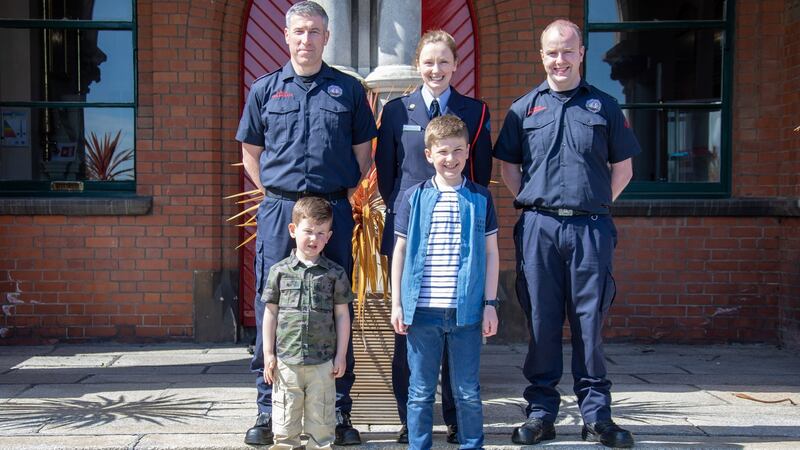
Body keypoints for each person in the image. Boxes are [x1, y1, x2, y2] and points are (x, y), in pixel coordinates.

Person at [235, 1, 377, 446]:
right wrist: (278, 198)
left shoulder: (349, 91)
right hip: (280, 213)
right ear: (285, 35)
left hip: (332, 211)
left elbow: (364, 154)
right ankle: (265, 412)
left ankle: (339, 413)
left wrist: (343, 199)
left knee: (336, 305)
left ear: (326, 37)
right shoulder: (265, 90)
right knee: (271, 305)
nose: (306, 39)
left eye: (314, 31)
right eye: (298, 31)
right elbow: (250, 155)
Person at [493, 19, 640, 449]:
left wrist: (592, 204)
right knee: (540, 320)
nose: (559, 60)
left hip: (590, 229)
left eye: (567, 51)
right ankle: (541, 413)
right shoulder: (523, 109)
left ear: (581, 53)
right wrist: (539, 204)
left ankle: (597, 417)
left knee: (589, 323)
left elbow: (624, 169)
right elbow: (508, 168)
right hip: (539, 228)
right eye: (551, 52)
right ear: (542, 56)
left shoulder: (605, 107)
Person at [374, 29, 492, 444]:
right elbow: (387, 174)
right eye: (428, 61)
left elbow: (481, 173)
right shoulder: (395, 111)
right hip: (410, 230)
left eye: (444, 61)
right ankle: (413, 420)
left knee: (456, 327)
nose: (436, 69)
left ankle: (457, 419)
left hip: (459, 236)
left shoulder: (475, 112)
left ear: (456, 64)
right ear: (417, 64)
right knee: (410, 330)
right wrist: (410, 212)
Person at [390, 115, 500, 450]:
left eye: (457, 151)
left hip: (465, 312)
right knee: (420, 391)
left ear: (468, 152)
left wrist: (490, 304)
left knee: (467, 390)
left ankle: (472, 444)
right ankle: (419, 445)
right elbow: (400, 251)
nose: (450, 158)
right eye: (442, 152)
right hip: (422, 312)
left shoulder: (480, 197)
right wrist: (397, 303)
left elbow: (492, 253)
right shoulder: (413, 197)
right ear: (428, 155)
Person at [261, 197, 352, 450]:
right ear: (293, 230)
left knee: (322, 426)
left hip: (322, 363)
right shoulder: (279, 271)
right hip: (287, 361)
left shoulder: (334, 273)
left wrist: (341, 355)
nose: (314, 239)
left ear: (329, 236)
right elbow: (270, 313)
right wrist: (268, 354)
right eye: (308, 231)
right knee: (284, 423)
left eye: (321, 233)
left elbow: (343, 315)